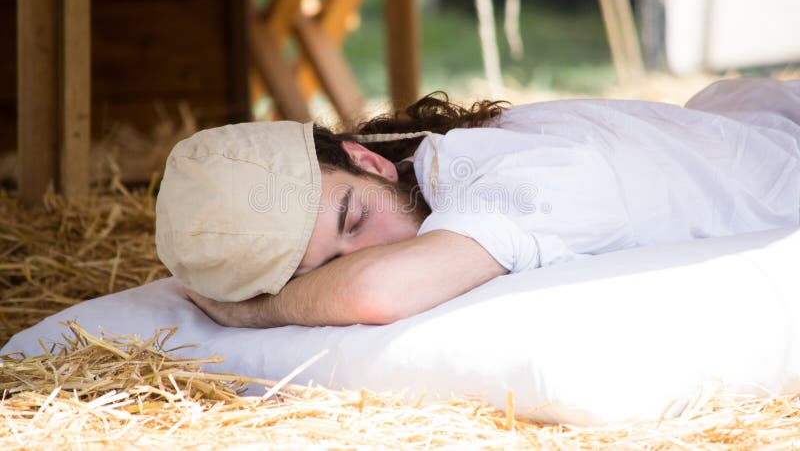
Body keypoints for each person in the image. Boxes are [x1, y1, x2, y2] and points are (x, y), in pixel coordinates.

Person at [155, 77, 800, 328]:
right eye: (329, 263)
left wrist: (254, 312)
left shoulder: (501, 179)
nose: (369, 250)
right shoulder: (438, 166)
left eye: (352, 218)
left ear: (369, 159)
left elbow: (374, 293)